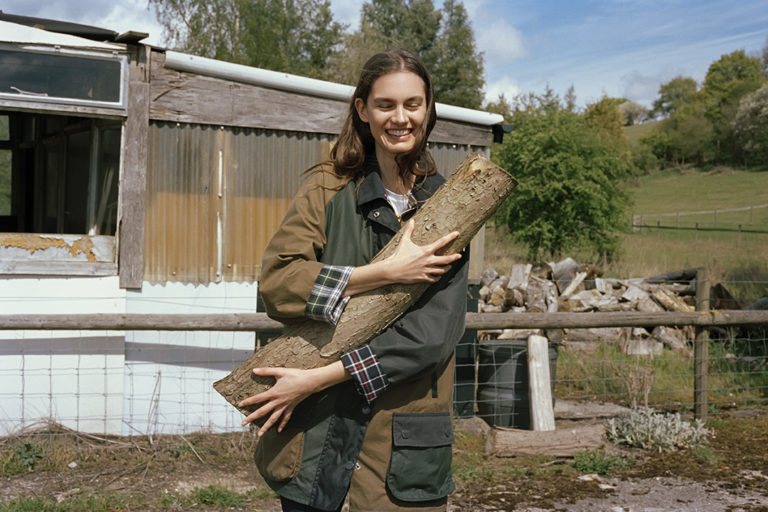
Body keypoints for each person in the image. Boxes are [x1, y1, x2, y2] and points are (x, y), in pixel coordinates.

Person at [238, 48, 469, 512]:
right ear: (363, 110)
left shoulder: (453, 204)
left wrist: (313, 380)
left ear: (428, 110)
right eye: (386, 104)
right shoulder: (328, 188)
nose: (400, 118)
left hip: (399, 442)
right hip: (318, 435)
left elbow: (430, 337)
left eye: (412, 104)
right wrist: (380, 274)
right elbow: (277, 284)